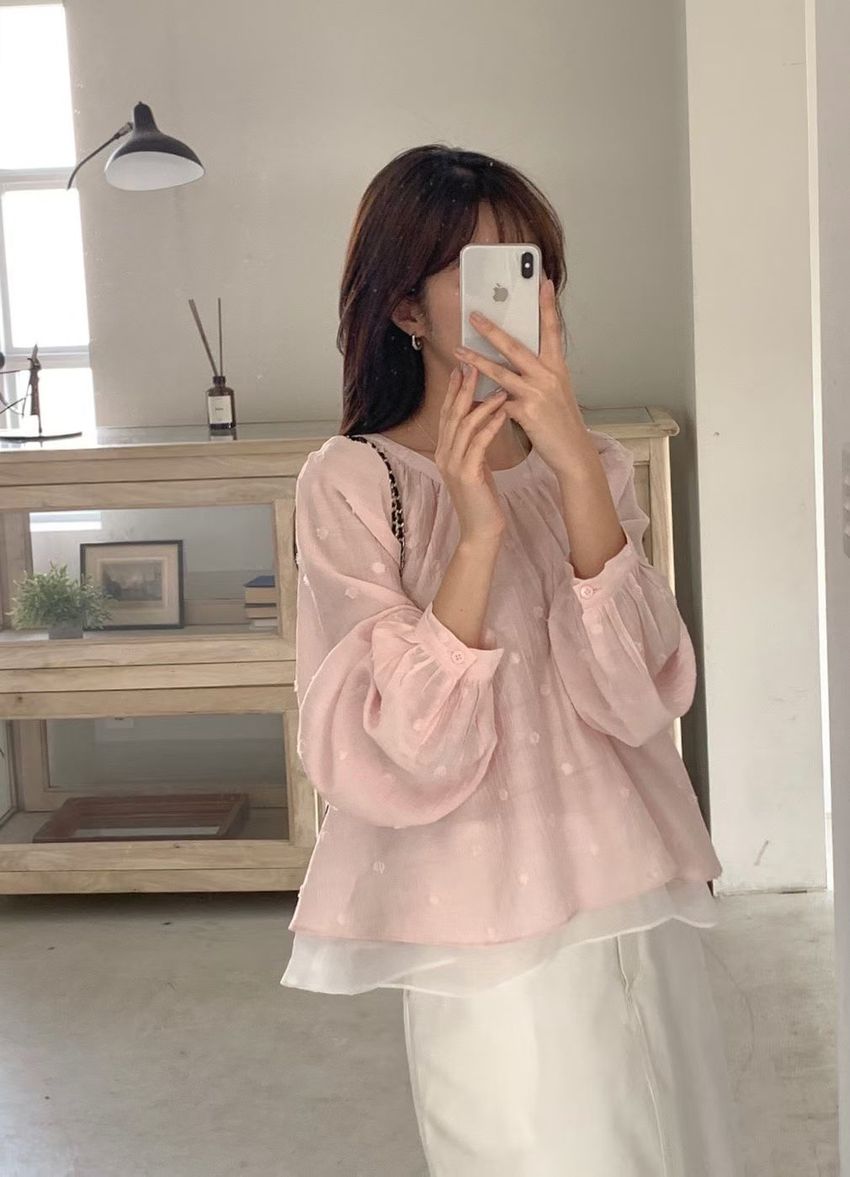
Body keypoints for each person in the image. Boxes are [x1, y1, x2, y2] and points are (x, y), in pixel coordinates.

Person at [281, 144, 743, 1176]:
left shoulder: (593, 464)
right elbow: (399, 745)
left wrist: (571, 463)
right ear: (406, 307)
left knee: (668, 1141)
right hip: (478, 912)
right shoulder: (352, 481)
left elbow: (640, 691)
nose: (519, 295)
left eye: (531, 267)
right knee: (526, 1147)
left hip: (628, 880)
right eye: (482, 269)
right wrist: (476, 532)